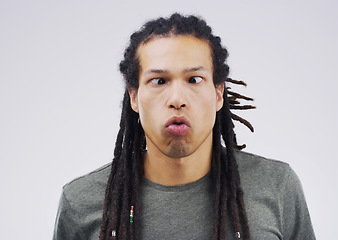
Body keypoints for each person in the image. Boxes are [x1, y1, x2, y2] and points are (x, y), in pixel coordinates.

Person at [53, 13, 315, 240]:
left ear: (218, 94)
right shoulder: (81, 202)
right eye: (158, 81)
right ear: (134, 97)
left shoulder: (276, 186)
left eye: (194, 79)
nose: (177, 99)